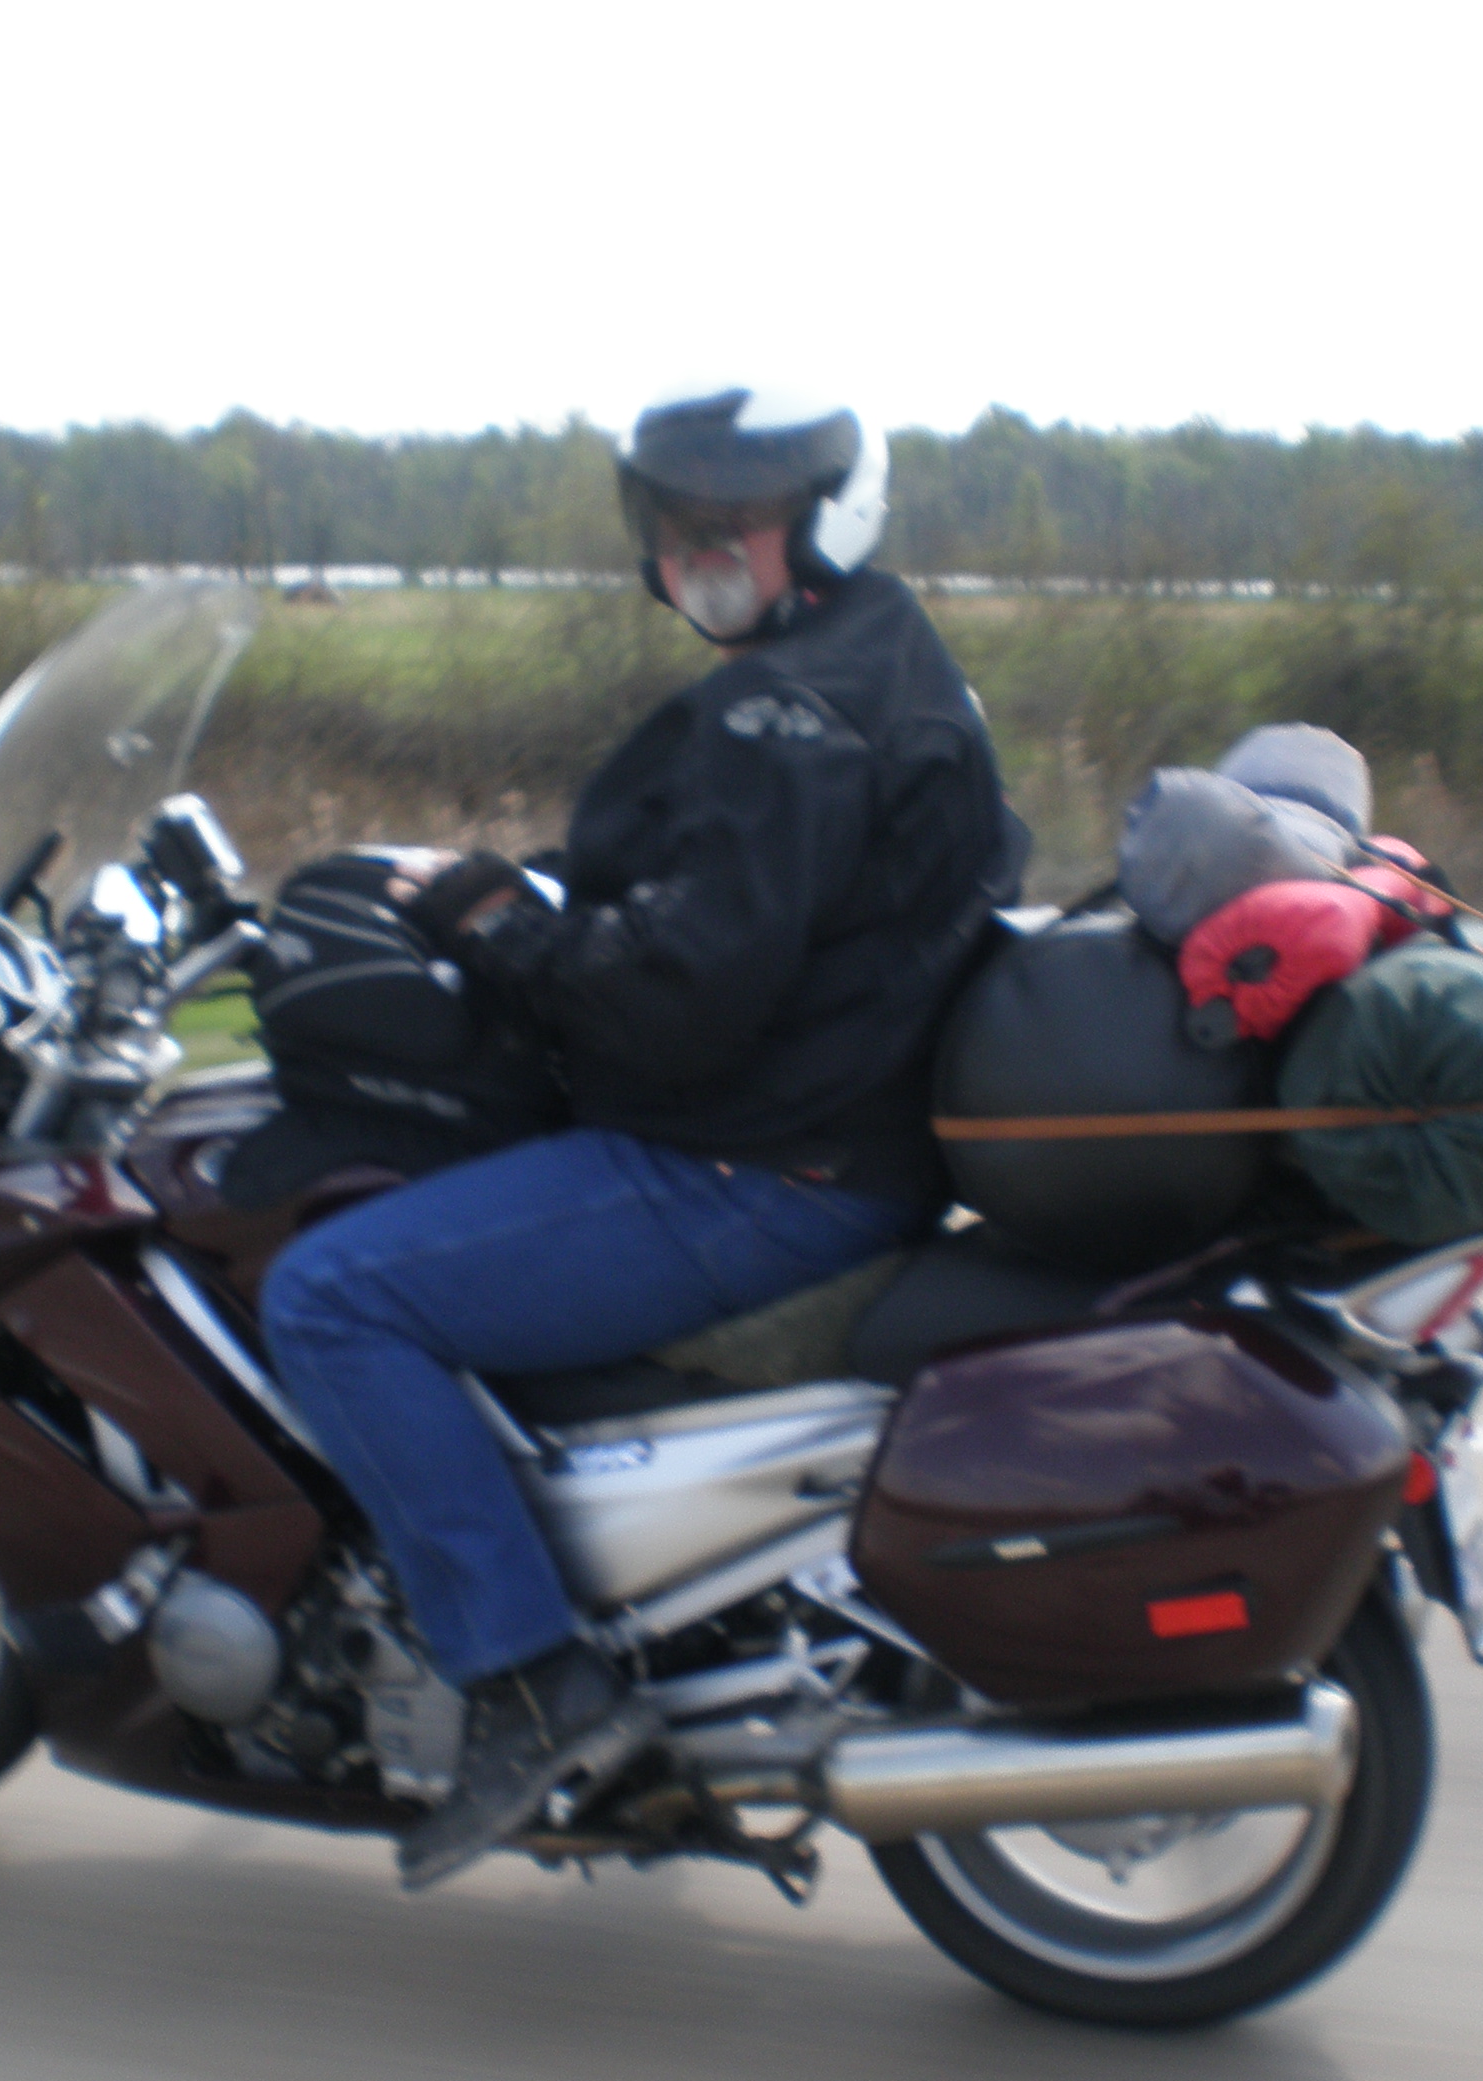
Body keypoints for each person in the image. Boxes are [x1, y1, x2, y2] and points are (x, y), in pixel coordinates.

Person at [259, 384, 1028, 1889]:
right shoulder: (884, 658)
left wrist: (496, 924)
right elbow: (745, 905)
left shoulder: (782, 713)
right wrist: (540, 900)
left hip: (756, 1169)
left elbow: (679, 998)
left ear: (825, 519)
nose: (699, 552)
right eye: (677, 522)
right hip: (845, 1141)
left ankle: (528, 1679)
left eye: (734, 520)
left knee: (330, 1295)